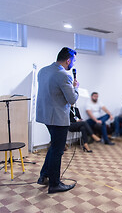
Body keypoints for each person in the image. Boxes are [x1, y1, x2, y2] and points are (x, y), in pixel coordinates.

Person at [36, 47, 78, 194]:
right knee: (58, 150)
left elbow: (51, 93)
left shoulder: (43, 71)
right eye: (73, 60)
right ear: (68, 60)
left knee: (54, 146)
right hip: (58, 118)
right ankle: (54, 184)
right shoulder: (63, 75)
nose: (73, 63)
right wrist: (75, 88)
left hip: (45, 116)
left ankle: (44, 176)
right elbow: (72, 99)